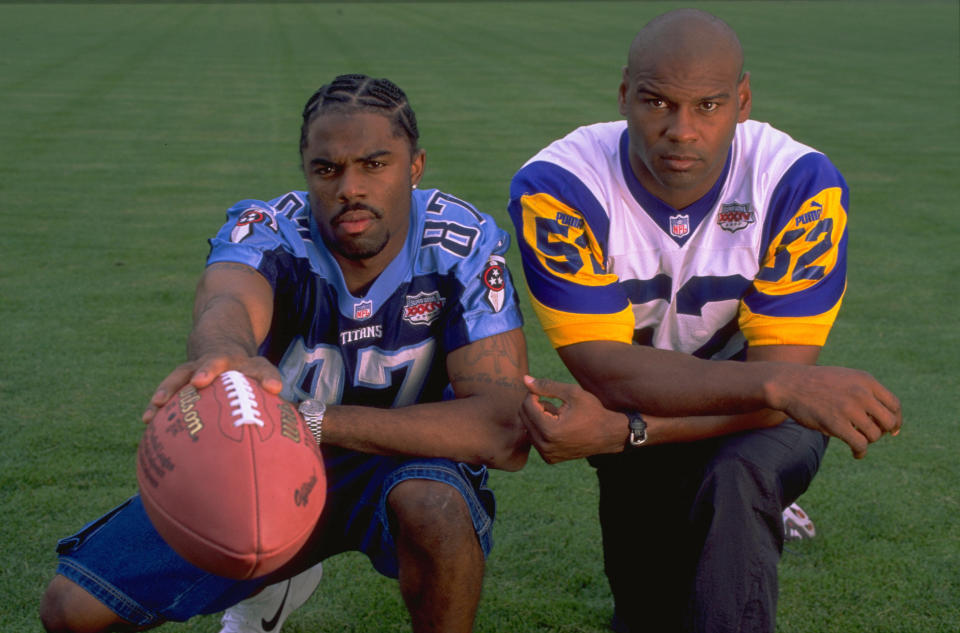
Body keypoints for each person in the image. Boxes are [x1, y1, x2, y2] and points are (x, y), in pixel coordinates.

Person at [39, 73, 530, 633]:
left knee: (432, 504)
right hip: (265, 462)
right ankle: (277, 563)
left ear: (415, 167)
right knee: (72, 610)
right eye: (328, 169)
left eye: (375, 164)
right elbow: (227, 299)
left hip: (406, 462)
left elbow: (502, 429)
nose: (350, 187)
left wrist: (313, 422)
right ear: (306, 171)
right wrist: (223, 352)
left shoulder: (457, 242)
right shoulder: (272, 230)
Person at [507, 9, 901, 633]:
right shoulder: (560, 186)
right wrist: (779, 388)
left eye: (709, 106)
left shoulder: (798, 183)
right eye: (657, 102)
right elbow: (606, 370)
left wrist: (629, 431)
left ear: (742, 100)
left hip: (740, 418)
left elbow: (781, 392)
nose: (681, 131)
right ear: (624, 96)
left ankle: (753, 503)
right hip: (649, 393)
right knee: (647, 614)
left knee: (739, 478)